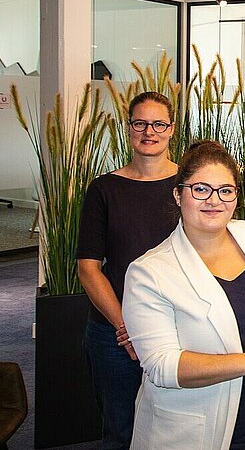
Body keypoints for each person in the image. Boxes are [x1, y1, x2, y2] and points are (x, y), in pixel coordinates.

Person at [122, 140, 245, 450]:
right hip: (196, 431)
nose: (214, 200)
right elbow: (163, 366)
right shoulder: (149, 272)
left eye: (226, 190)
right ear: (178, 193)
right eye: (201, 189)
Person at [77, 91, 179, 449]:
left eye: (158, 123)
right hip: (114, 335)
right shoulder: (104, 189)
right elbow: (88, 268)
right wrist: (127, 328)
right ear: (129, 128)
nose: (148, 131)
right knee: (121, 430)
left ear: (171, 129)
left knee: (177, 429)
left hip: (179, 328)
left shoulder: (191, 188)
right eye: (140, 123)